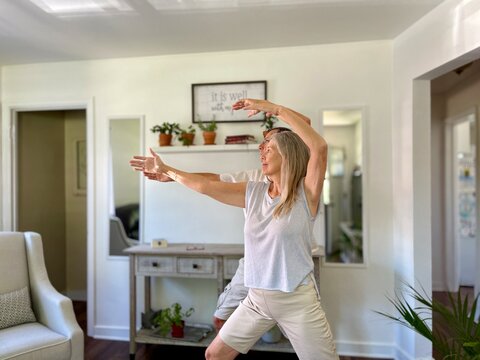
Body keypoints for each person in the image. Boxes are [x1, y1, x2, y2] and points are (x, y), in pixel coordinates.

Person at [130, 99, 338, 360]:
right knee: (214, 355)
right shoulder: (252, 189)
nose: (261, 152)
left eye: (268, 147)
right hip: (257, 298)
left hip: (297, 300)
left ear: (288, 153)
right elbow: (207, 185)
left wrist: (272, 108)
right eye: (261, 147)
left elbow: (317, 145)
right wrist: (168, 171)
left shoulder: (306, 193)